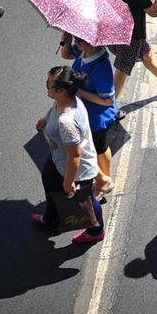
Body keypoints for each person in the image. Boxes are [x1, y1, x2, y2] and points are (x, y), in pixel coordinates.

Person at [33, 66, 105, 244]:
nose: (46, 87)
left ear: (61, 90)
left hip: (74, 169)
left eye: (49, 84)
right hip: (59, 157)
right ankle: (52, 220)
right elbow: (54, 108)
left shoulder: (67, 122)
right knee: (49, 179)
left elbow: (74, 156)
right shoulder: (68, 98)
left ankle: (96, 230)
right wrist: (46, 119)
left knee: (85, 200)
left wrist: (68, 181)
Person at [61, 32, 116, 200]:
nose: (78, 41)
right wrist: (67, 41)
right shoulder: (83, 51)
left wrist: (79, 92)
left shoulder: (101, 67)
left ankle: (104, 181)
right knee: (88, 148)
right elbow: (67, 54)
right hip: (83, 113)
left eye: (81, 39)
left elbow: (108, 100)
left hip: (97, 118)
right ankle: (102, 179)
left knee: (99, 147)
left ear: (95, 44)